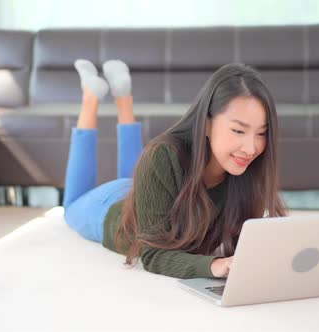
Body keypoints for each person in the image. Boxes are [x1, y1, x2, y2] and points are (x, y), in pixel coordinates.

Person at [63, 59, 287, 279]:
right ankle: (91, 97)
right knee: (72, 204)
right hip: (106, 206)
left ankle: (123, 97)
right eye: (239, 131)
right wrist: (213, 266)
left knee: (136, 170)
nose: (251, 148)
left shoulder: (247, 169)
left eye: (261, 133)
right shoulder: (163, 156)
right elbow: (153, 254)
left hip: (144, 188)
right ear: (207, 123)